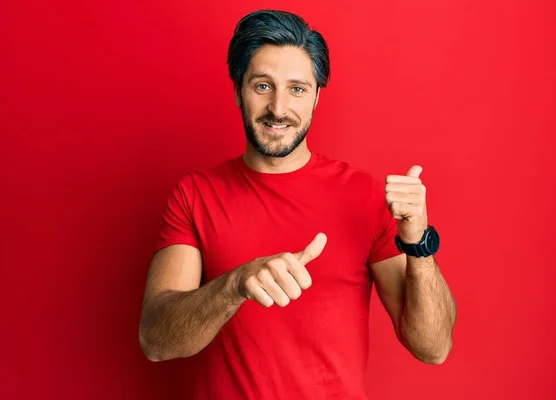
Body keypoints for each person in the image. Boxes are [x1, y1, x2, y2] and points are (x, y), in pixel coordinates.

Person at [138, 9, 457, 399]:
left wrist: (418, 242)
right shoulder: (195, 195)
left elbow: (433, 348)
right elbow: (156, 342)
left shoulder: (365, 197)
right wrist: (235, 285)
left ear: (318, 96)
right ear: (239, 89)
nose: (278, 108)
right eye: (262, 86)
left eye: (297, 89)